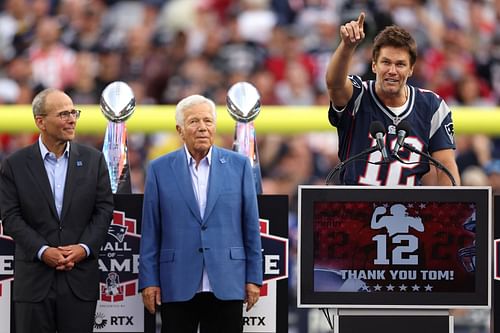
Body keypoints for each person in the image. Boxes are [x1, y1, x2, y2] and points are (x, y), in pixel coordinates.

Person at [139, 94, 263, 333]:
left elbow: (251, 227)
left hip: (227, 281)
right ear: (180, 129)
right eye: (194, 121)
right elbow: (151, 230)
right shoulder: (158, 169)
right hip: (176, 282)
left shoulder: (239, 166)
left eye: (208, 121)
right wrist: (149, 280)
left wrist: (254, 278)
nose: (203, 128)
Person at [0, 88, 114, 333]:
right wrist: (43, 251)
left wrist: (83, 248)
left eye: (74, 112)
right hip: (34, 283)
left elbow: (104, 210)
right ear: (40, 122)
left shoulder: (94, 161)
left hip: (79, 281)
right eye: (63, 114)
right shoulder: (15, 165)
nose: (72, 119)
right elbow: (10, 217)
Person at [325, 12, 460, 186]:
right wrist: (347, 46)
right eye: (386, 62)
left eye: (400, 64)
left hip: (409, 210)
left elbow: (446, 166)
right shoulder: (358, 94)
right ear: (374, 65)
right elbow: (334, 84)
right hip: (355, 209)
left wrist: (452, 210)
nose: (392, 71)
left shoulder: (432, 106)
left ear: (411, 69)